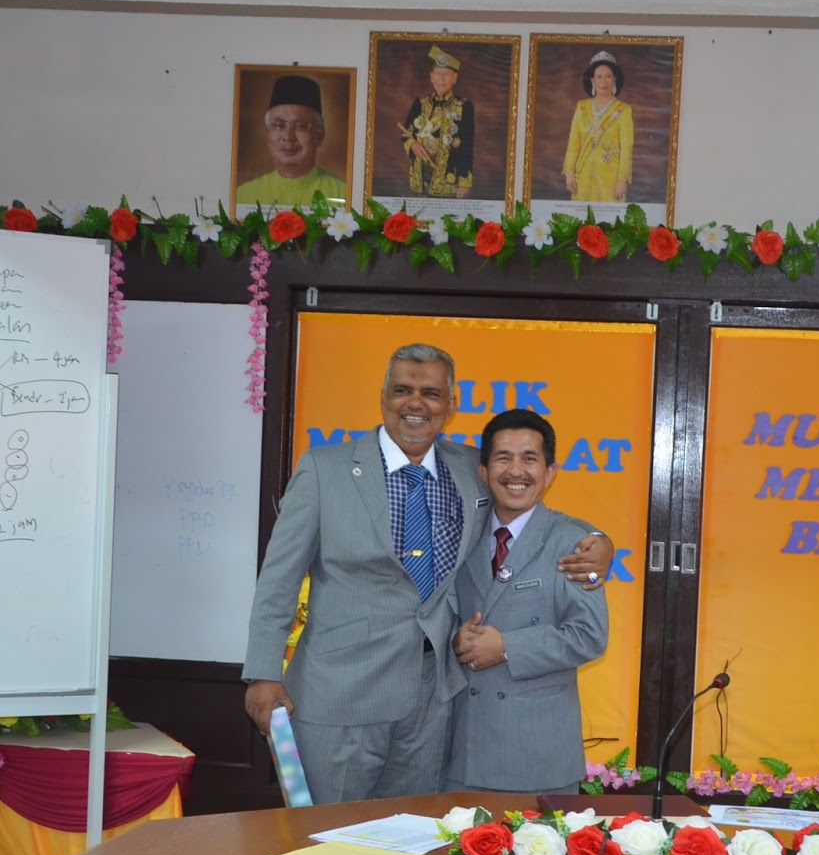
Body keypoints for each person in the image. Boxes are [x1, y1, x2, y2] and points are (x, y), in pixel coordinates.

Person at [241, 344, 613, 804]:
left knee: (410, 836)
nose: (415, 403)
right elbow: (278, 580)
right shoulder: (324, 470)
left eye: (431, 393)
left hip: (431, 705)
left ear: (451, 405)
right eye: (403, 390)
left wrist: (598, 540)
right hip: (339, 697)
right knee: (326, 836)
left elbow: (530, 506)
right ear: (383, 397)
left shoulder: (470, 468)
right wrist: (263, 672)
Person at [447, 410, 609, 795]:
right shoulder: (460, 535)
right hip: (462, 751)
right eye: (503, 458)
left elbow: (589, 636)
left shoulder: (575, 542)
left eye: (529, 459)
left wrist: (507, 647)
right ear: (483, 471)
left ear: (549, 473)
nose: (515, 471)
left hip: (539, 756)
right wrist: (456, 640)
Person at [233, 74, 347, 208]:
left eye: (301, 126)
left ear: (319, 135)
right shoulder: (244, 195)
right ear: (267, 133)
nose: (288, 136)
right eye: (278, 125)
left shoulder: (343, 194)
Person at [401, 46, 474, 199]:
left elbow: (467, 146)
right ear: (431, 76)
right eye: (438, 74)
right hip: (419, 180)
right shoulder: (420, 103)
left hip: (448, 183)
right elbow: (405, 133)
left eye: (446, 74)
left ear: (455, 78)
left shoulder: (464, 106)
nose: (441, 79)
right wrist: (413, 144)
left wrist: (464, 182)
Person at [562, 51, 634, 203]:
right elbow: (573, 144)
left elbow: (626, 149)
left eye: (608, 76)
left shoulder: (623, 110)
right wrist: (569, 173)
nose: (603, 82)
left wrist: (622, 180)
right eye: (599, 77)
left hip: (611, 180)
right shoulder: (581, 107)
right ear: (592, 80)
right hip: (583, 176)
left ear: (615, 79)